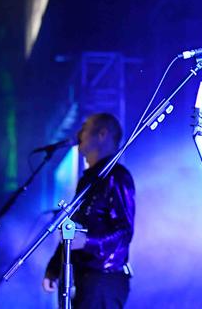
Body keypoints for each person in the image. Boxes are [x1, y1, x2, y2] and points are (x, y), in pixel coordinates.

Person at [42, 113, 135, 309]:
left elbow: (124, 232)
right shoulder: (87, 180)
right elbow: (74, 228)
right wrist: (54, 267)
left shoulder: (117, 177)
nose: (79, 134)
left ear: (102, 134)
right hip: (82, 278)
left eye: (84, 128)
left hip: (104, 279)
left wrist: (88, 241)